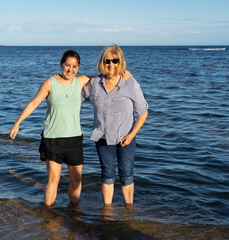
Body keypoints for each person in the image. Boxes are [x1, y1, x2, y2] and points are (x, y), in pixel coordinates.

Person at [9, 50, 90, 206]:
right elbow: (33, 103)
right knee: (54, 179)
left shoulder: (80, 81)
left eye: (74, 66)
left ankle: (74, 212)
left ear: (78, 67)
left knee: (76, 180)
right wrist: (17, 123)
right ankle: (48, 214)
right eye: (67, 65)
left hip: (74, 139)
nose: (70, 69)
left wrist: (124, 73)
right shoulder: (50, 83)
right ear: (61, 64)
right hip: (53, 139)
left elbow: (106, 77)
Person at [82, 45, 148, 206]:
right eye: (107, 61)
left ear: (120, 62)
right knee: (107, 174)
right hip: (103, 137)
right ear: (102, 62)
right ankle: (107, 212)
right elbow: (72, 94)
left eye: (115, 61)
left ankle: (128, 211)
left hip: (126, 138)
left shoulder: (130, 83)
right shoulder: (95, 83)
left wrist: (131, 135)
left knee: (126, 174)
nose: (111, 64)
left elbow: (143, 112)